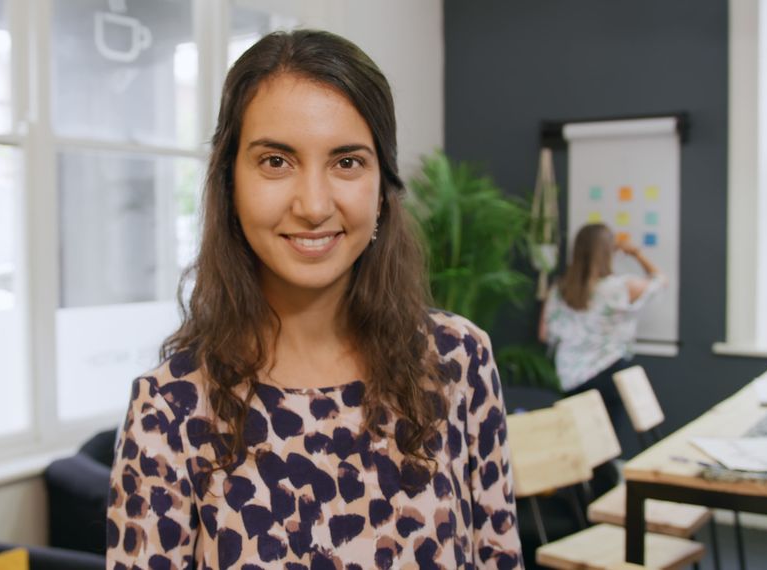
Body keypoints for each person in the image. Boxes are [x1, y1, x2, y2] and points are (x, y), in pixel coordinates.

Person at [106, 30, 522, 569]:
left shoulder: (457, 360)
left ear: (381, 188)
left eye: (347, 162)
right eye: (276, 161)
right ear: (230, 183)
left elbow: (499, 557)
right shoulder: (170, 411)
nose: (314, 204)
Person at [539, 223, 666, 457]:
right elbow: (660, 280)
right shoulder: (620, 288)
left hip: (571, 377)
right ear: (609, 252)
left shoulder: (560, 288)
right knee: (605, 451)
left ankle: (585, 494)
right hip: (608, 372)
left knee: (579, 451)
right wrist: (636, 253)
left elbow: (545, 333)